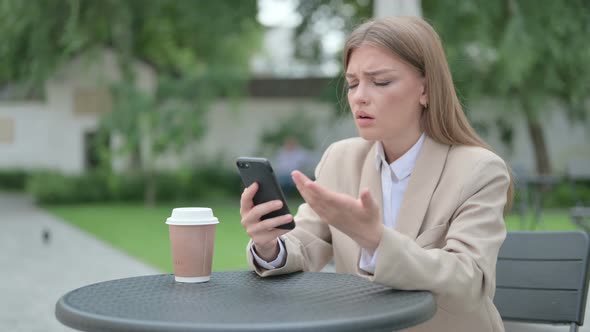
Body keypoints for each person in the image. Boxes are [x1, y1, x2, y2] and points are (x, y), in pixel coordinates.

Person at [240, 16, 513, 332]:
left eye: (380, 81)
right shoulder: (340, 159)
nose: (359, 96)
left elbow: (470, 280)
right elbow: (306, 241)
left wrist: (377, 240)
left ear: (425, 89)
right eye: (353, 83)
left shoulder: (478, 170)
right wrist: (269, 245)